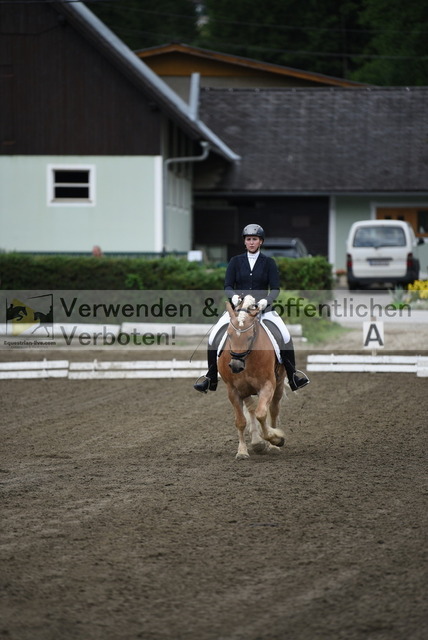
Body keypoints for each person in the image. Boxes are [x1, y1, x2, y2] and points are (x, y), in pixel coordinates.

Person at [193, 223, 310, 393]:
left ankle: (293, 376)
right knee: (213, 337)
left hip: (263, 310)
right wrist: (233, 296)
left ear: (260, 241)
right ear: (245, 242)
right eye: (248, 239)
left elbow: (275, 288)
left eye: (254, 239)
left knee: (285, 335)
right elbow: (227, 286)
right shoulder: (235, 261)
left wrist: (265, 301)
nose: (251, 242)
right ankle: (210, 377)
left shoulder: (268, 262)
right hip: (238, 311)